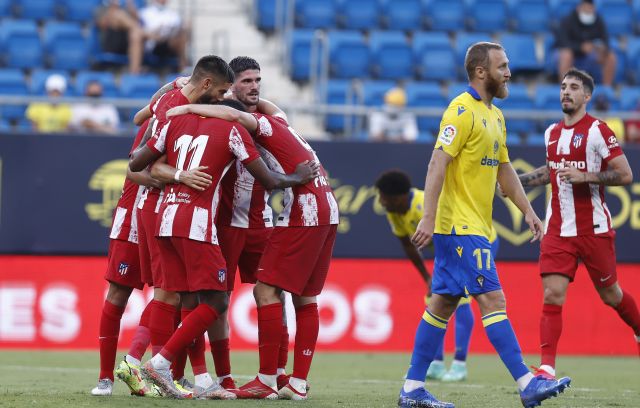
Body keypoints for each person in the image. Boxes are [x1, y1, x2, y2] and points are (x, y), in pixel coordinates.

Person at [398, 42, 571, 408]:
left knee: (442, 304)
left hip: (472, 225)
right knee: (493, 299)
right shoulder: (460, 111)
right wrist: (428, 217)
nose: (509, 73)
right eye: (503, 67)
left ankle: (412, 388)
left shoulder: (495, 116)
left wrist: (527, 210)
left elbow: (504, 170)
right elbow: (436, 164)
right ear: (481, 71)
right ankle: (527, 382)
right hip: (459, 226)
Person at [166, 97, 340, 401]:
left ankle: (266, 379)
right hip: (327, 207)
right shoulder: (283, 122)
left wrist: (189, 108)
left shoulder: (262, 126)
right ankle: (296, 383)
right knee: (305, 296)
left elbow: (235, 115)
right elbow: (263, 108)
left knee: (265, 292)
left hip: (303, 210)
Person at [517, 68, 640, 378]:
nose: (565, 92)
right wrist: (515, 183)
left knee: (610, 294)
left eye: (573, 87)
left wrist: (586, 175)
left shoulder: (599, 131)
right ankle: (546, 368)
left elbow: (625, 175)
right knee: (552, 294)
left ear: (587, 96)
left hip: (594, 229)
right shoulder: (551, 133)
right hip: (558, 229)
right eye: (562, 87)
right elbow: (550, 172)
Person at [375, 169, 500, 382]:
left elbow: (453, 233)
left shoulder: (424, 205)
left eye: (384, 198)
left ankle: (459, 365)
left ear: (398, 198)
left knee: (460, 298)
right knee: (433, 299)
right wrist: (427, 277)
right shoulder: (394, 212)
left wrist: (447, 271)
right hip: (449, 250)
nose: (381, 202)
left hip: (477, 240)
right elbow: (408, 246)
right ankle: (436, 364)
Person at [91, 120, 160, 396]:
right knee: (118, 294)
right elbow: (133, 169)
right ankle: (105, 377)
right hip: (132, 219)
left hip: (166, 217)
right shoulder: (161, 115)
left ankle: (135, 363)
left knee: (173, 294)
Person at [555, 0, 616, 86]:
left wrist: (601, 48)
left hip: (590, 55)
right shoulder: (567, 20)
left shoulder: (598, 20)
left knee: (610, 56)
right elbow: (562, 42)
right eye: (585, 10)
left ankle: (606, 89)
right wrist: (580, 47)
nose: (588, 12)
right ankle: (565, 89)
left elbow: (606, 41)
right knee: (566, 54)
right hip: (572, 53)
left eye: (590, 10)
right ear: (579, 8)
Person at [95, 0, 144, 74]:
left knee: (135, 35)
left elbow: (140, 21)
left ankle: (134, 71)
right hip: (110, 43)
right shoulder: (101, 8)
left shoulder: (124, 8)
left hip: (126, 44)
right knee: (118, 15)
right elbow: (101, 24)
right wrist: (113, 10)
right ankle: (147, 33)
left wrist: (130, 5)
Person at [139, 0, 189, 71]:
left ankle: (183, 68)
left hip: (169, 44)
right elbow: (142, 31)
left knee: (182, 35)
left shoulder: (173, 15)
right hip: (152, 45)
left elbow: (177, 30)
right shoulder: (144, 13)